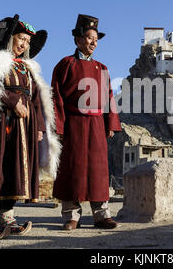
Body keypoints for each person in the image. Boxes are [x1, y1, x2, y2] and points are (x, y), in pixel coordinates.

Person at [0, 14, 61, 240]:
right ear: (8, 38)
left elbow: (37, 98)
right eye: (20, 38)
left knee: (15, 170)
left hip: (23, 129)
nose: (24, 44)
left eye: (27, 41)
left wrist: (40, 127)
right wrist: (12, 101)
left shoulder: (27, 68)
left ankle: (7, 218)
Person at [51, 14, 122, 230]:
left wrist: (110, 123)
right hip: (73, 125)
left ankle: (102, 215)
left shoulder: (102, 68)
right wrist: (59, 127)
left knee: (98, 172)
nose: (93, 42)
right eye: (90, 38)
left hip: (96, 126)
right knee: (72, 170)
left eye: (96, 39)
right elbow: (56, 97)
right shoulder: (66, 64)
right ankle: (71, 216)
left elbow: (109, 96)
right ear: (78, 39)